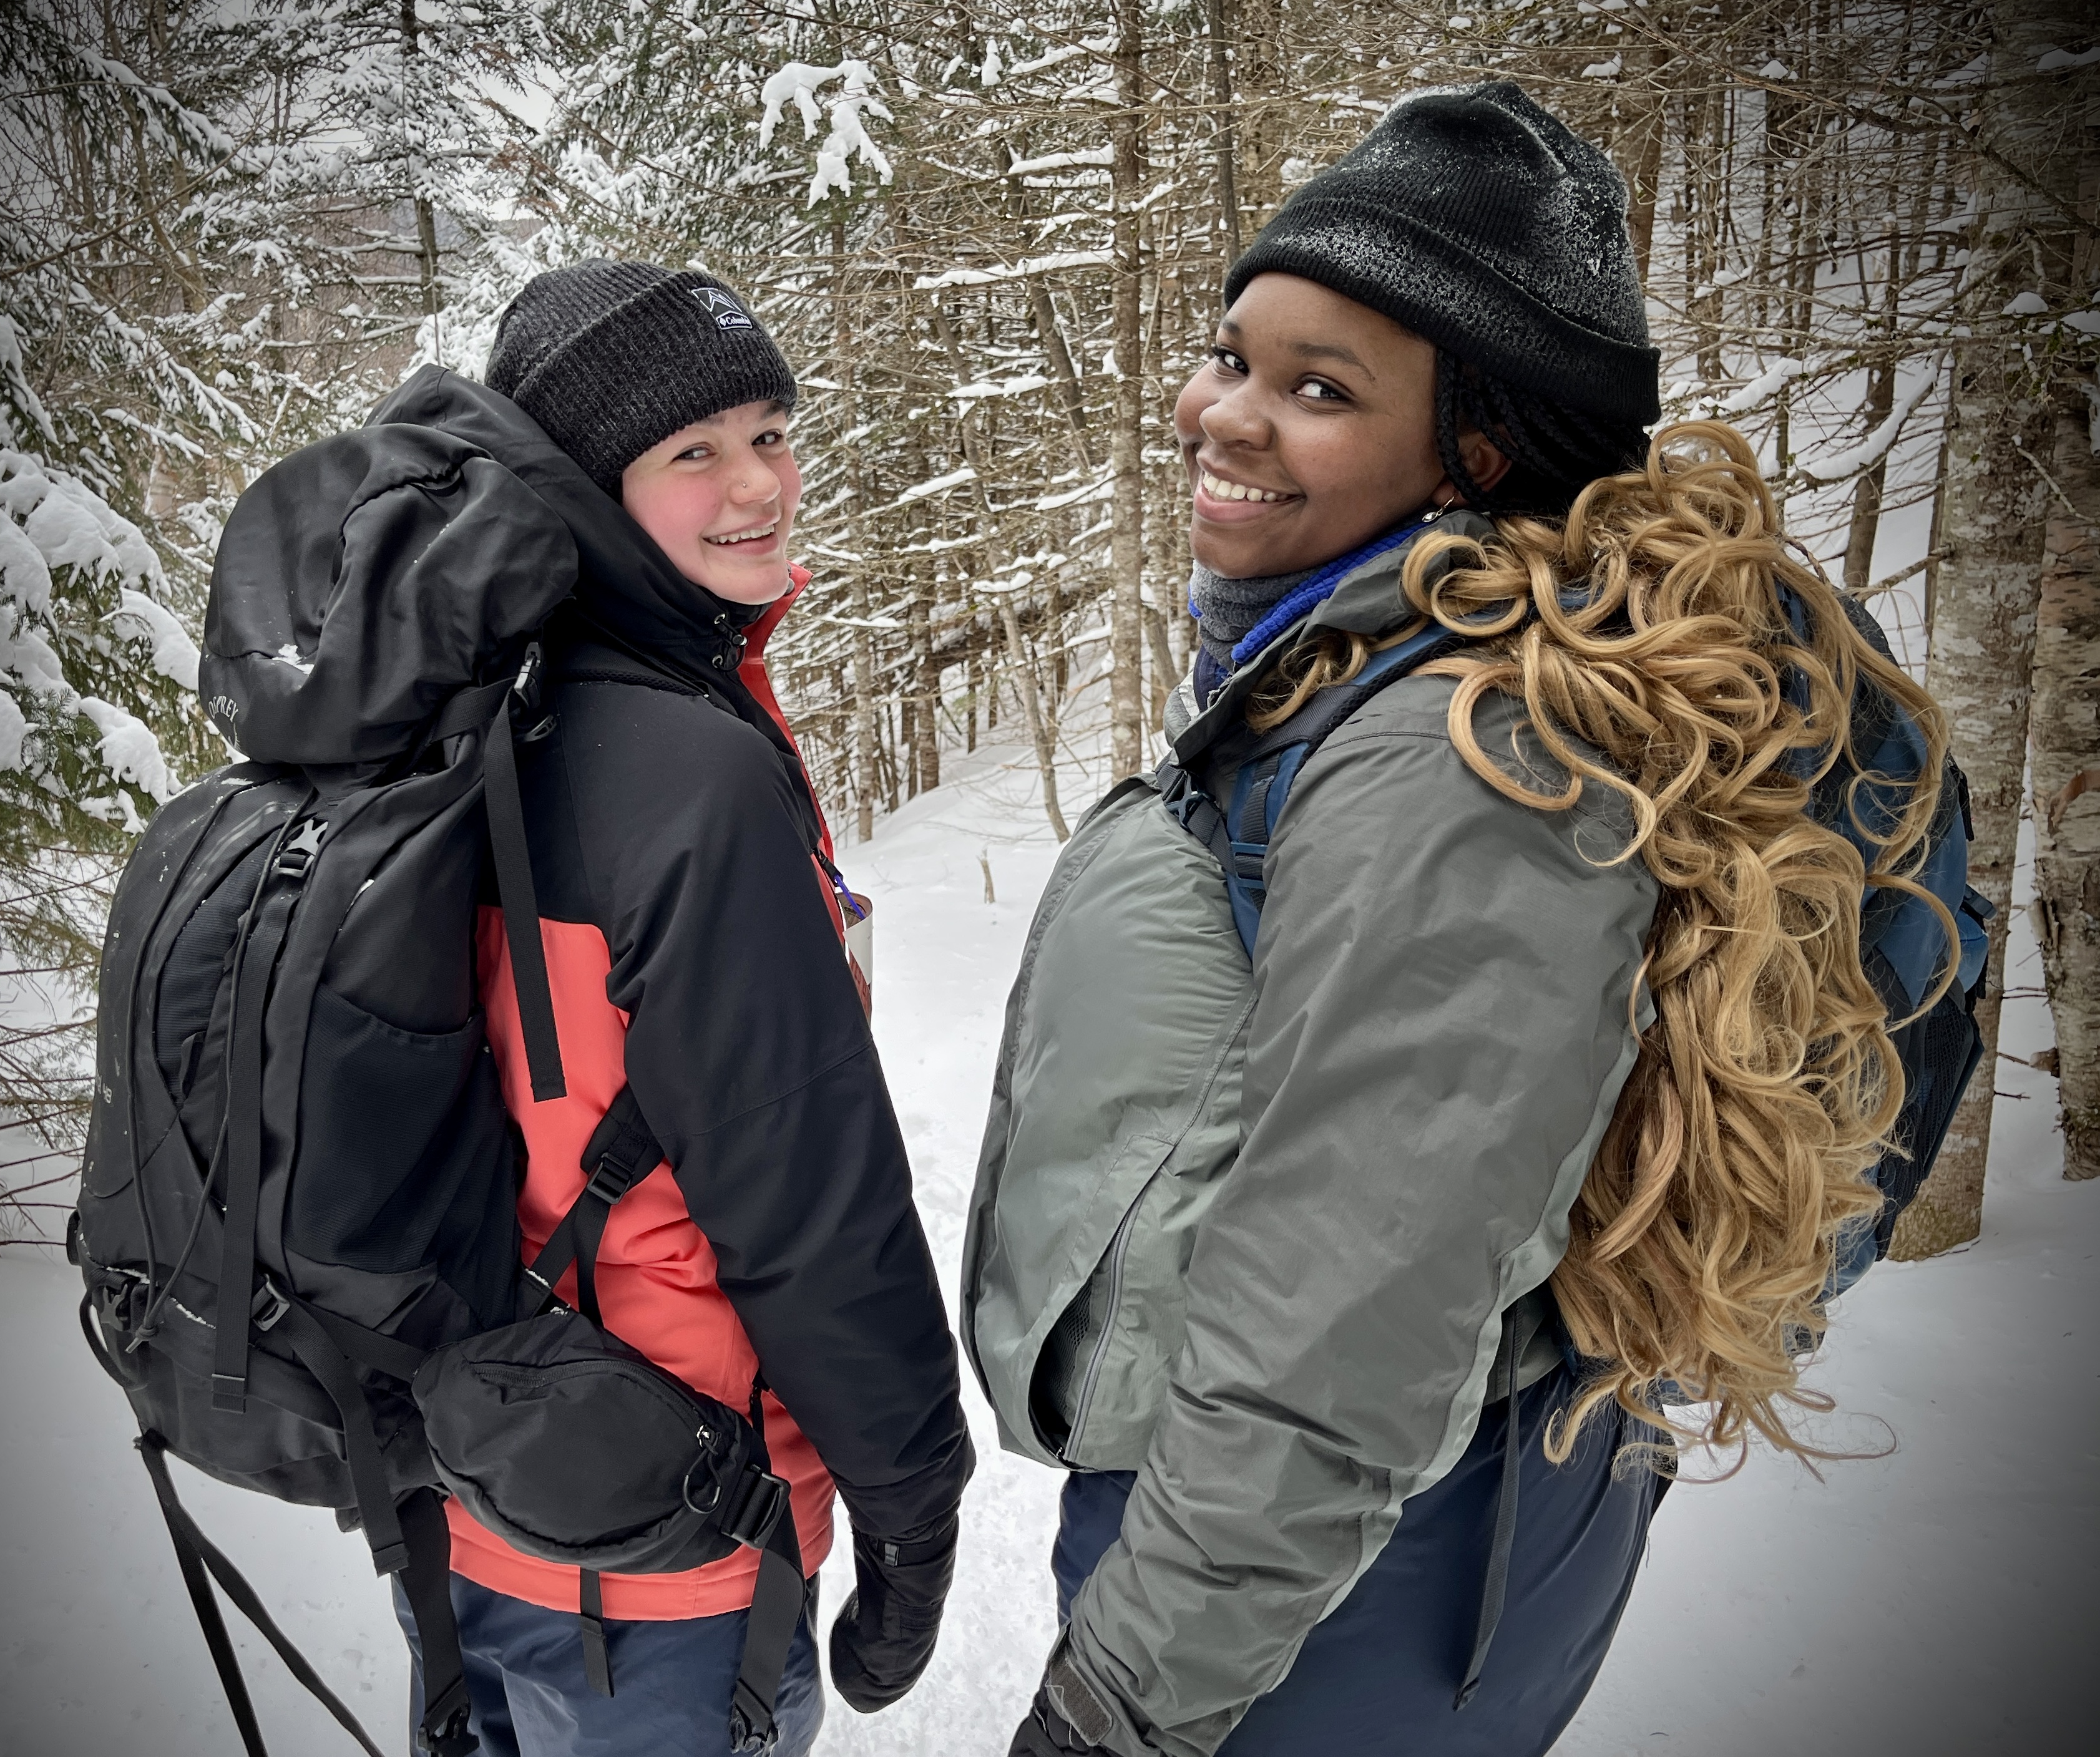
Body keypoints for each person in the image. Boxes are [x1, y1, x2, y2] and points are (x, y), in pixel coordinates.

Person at [962, 85, 1953, 1757]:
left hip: (1337, 1571)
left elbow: (1346, 1314)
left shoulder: (1459, 755)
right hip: (1392, 1522)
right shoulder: (1373, 663)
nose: (1221, 414)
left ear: (1476, 453)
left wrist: (1125, 1697)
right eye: (1229, 355)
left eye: (1320, 389)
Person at [371, 262, 973, 1753]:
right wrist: (914, 1506)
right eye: (693, 450)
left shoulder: (474, 724)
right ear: (586, 491)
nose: (760, 482)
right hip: (670, 1544)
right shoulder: (688, 779)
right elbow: (809, 1203)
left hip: (468, 1507)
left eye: (769, 431)